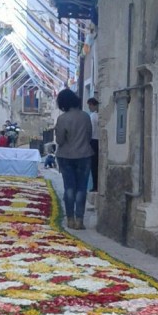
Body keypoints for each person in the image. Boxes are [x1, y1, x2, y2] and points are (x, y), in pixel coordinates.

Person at [55, 88, 93, 229]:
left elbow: (59, 141)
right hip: (84, 155)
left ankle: (70, 219)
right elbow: (89, 136)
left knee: (69, 188)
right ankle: (79, 220)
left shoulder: (62, 119)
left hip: (66, 156)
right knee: (81, 188)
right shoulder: (85, 116)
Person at [87, 97, 99, 193]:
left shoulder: (93, 116)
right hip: (98, 141)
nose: (89, 107)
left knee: (94, 165)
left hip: (93, 141)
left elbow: (91, 130)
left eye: (90, 105)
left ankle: (95, 185)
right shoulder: (99, 115)